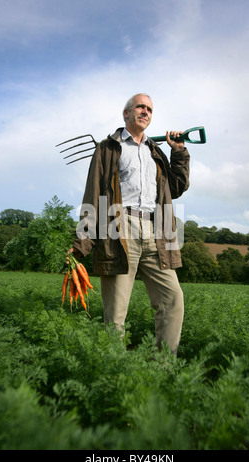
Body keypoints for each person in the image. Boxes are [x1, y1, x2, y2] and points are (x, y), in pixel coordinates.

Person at [69, 93, 190, 354]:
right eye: (140, 107)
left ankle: (163, 366)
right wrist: (83, 241)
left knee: (173, 299)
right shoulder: (108, 148)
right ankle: (115, 372)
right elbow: (93, 195)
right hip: (120, 230)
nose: (145, 112)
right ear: (127, 113)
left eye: (149, 109)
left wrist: (178, 152)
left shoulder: (155, 151)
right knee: (116, 312)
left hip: (157, 232)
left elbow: (176, 188)